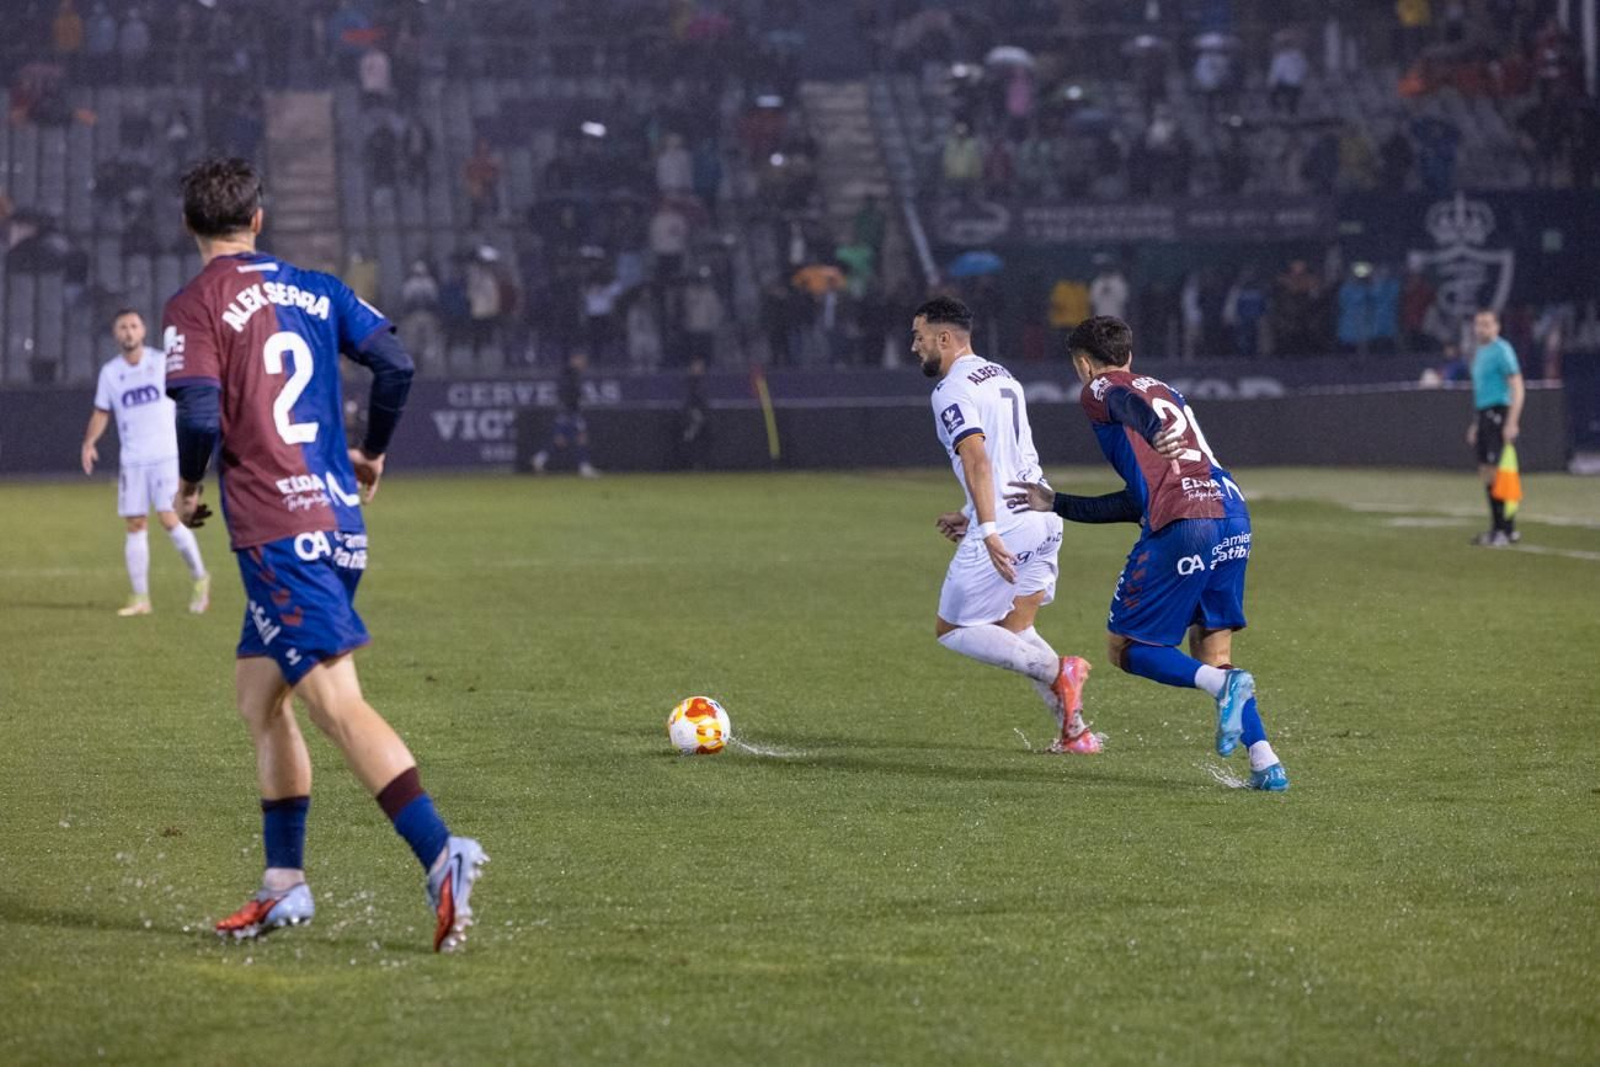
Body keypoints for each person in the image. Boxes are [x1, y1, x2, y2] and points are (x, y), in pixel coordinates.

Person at [161, 158, 485, 952]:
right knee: (258, 696)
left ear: (188, 224)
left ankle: (441, 851)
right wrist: (373, 450)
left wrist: (188, 485)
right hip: (336, 522)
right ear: (258, 218)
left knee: (336, 704)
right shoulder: (317, 287)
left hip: (278, 532)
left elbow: (199, 412)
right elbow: (396, 363)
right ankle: (284, 883)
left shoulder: (196, 303)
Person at [1006, 315, 1289, 790]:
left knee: (1128, 647)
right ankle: (1266, 763)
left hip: (1186, 520)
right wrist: (1057, 503)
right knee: (1213, 649)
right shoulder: (1166, 389)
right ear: (1130, 355)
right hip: (1232, 514)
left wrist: (1152, 428)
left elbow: (1121, 401)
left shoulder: (1099, 388)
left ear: (1083, 364)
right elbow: (1135, 502)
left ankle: (1223, 687)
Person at [913, 296, 1098, 755]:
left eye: (919, 337)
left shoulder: (951, 389)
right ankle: (1076, 734)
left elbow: (977, 457)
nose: (915, 347)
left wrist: (988, 527)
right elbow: (1008, 454)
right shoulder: (1001, 375)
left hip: (1008, 524)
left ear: (943, 338)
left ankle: (1059, 671)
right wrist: (969, 510)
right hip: (1043, 513)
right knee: (1015, 628)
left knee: (954, 628)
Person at [81, 309, 210, 617]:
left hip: (166, 455)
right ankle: (141, 598)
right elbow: (102, 411)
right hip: (133, 460)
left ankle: (200, 578)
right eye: (122, 327)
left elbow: (187, 398)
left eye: (133, 326)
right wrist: (89, 443)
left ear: (143, 330)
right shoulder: (110, 372)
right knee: (135, 523)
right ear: (116, 334)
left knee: (169, 519)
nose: (128, 331)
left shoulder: (162, 363)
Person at [1465, 309, 1524, 546]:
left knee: (1498, 472)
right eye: (1479, 324)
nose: (1482, 329)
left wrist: (1512, 421)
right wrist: (1476, 423)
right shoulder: (1479, 353)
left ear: (1497, 326)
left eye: (1487, 324)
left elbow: (1517, 386)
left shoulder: (1502, 350)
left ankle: (1505, 529)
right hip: (1484, 415)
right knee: (1486, 472)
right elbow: (1481, 391)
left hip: (1498, 413)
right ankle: (1498, 528)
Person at [531, 350, 599, 477]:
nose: (583, 363)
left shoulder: (571, 374)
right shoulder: (569, 374)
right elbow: (567, 394)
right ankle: (584, 467)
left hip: (568, 411)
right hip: (570, 412)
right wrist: (571, 406)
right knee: (579, 437)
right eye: (581, 360)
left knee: (561, 440)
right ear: (574, 360)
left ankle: (539, 458)